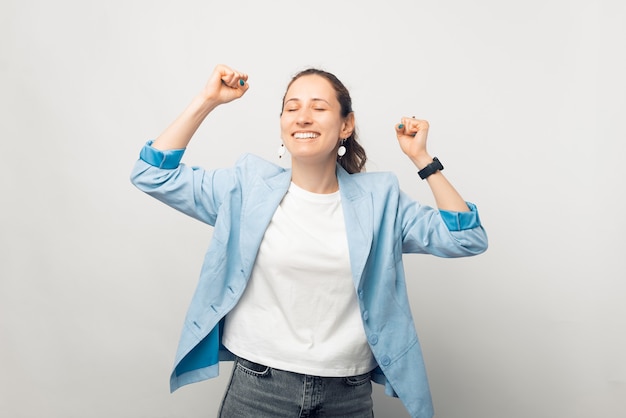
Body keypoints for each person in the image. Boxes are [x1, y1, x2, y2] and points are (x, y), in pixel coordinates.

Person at [130, 64, 488, 418]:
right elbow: (152, 175)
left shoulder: (380, 201)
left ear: (346, 125)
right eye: (291, 108)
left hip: (347, 396)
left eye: (319, 108)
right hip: (259, 389)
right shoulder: (247, 188)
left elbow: (467, 238)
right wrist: (208, 100)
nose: (303, 117)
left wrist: (423, 160)